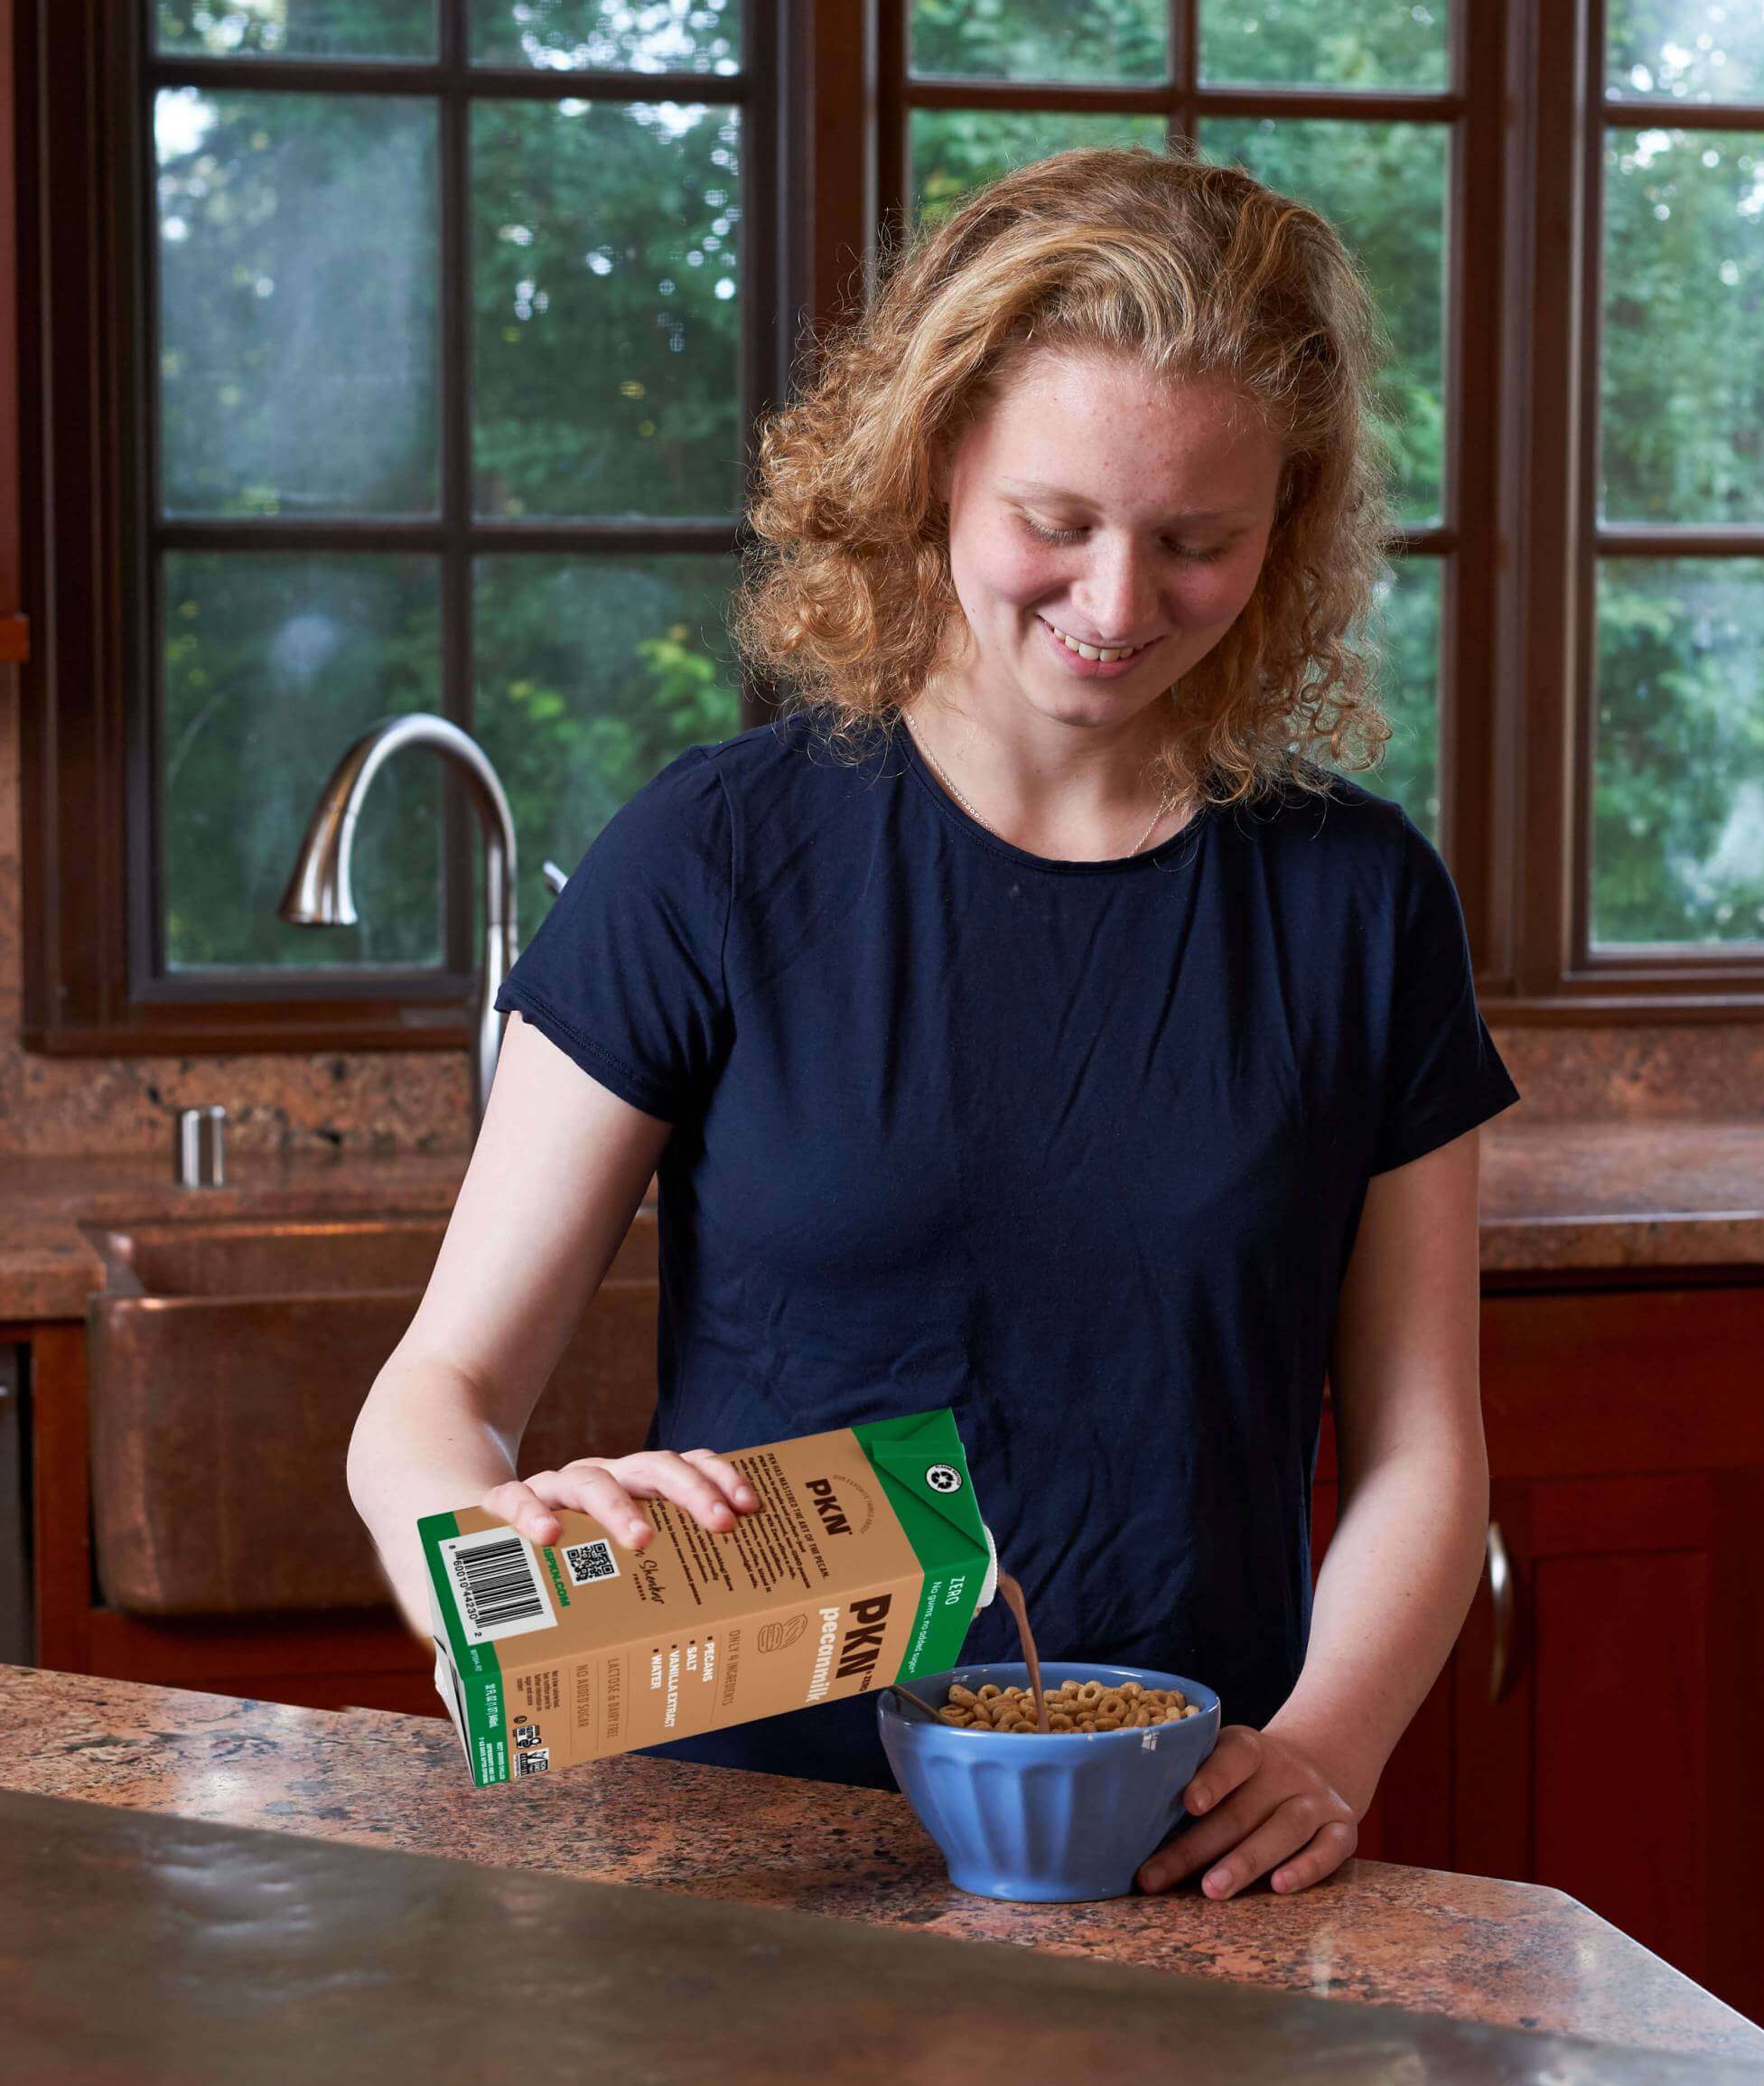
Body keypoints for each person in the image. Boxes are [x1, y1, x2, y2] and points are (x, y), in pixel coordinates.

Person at [347, 145, 1517, 1902]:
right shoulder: (716, 854)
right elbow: (435, 1391)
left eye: (1195, 540)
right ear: (935, 458)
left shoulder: (1357, 903)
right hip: (745, 1856)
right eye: (1056, 523)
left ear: (1284, 528)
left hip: (1172, 1853)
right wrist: (475, 1549)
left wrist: (1327, 1746)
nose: (1116, 607)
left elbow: (1424, 1445)